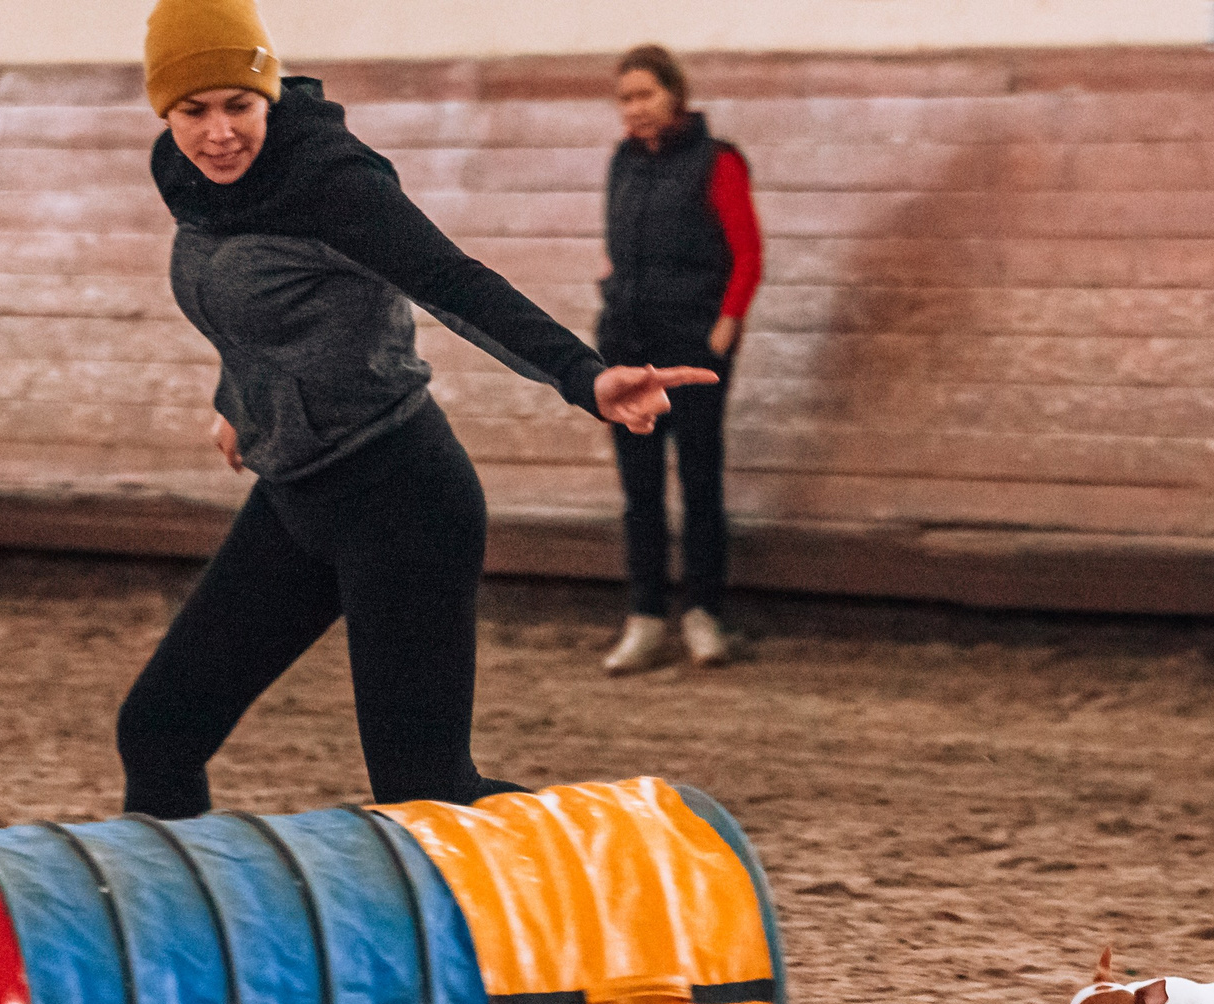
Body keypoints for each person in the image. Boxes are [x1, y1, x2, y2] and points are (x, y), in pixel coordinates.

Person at [117, 0, 715, 815]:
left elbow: (453, 282)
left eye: (240, 105)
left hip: (399, 498)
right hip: (294, 495)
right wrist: (241, 396)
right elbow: (251, 306)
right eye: (194, 111)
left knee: (426, 793)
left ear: (270, 96)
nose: (219, 133)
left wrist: (585, 377)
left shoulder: (331, 182)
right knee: (157, 730)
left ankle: (622, 859)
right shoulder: (189, 179)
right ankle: (170, 902)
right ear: (165, 111)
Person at [596, 44, 764, 676]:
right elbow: (619, 249)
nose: (634, 108)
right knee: (638, 490)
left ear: (675, 95)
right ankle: (644, 617)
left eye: (645, 94)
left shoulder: (718, 162)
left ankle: (703, 614)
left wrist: (723, 331)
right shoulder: (622, 161)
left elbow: (747, 254)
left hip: (693, 350)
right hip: (629, 348)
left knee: (699, 482)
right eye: (625, 98)